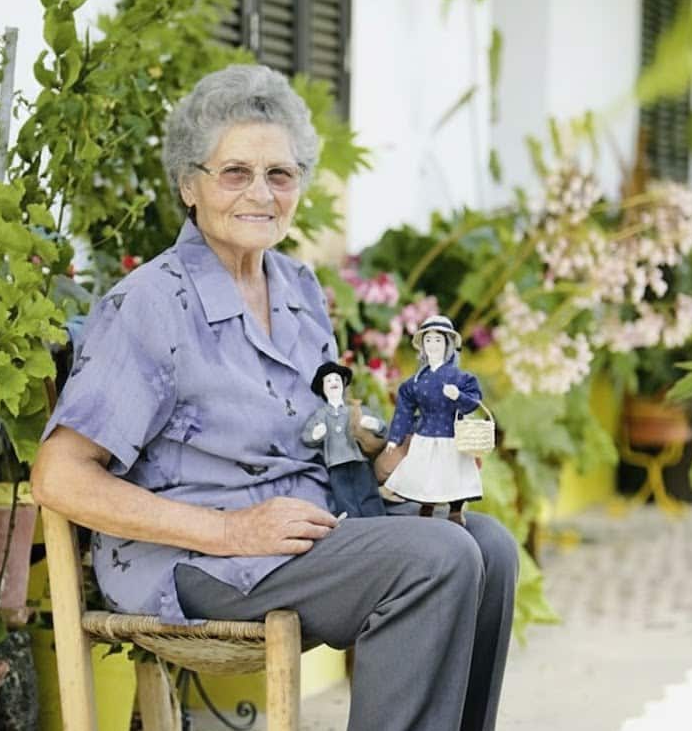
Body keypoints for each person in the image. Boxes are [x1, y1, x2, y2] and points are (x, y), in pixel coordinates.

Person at [32, 64, 518, 731]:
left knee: (487, 544)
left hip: (304, 533)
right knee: (436, 558)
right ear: (189, 185)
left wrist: (392, 459)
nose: (260, 193)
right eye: (236, 172)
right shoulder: (151, 304)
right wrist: (231, 531)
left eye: (280, 175)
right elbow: (58, 476)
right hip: (196, 557)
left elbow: (321, 429)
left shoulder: (297, 288)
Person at [384, 315, 484, 525]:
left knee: (454, 472)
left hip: (452, 434)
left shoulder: (460, 378)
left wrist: (458, 396)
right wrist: (395, 438)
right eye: (428, 340)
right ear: (422, 346)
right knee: (424, 472)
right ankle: (426, 506)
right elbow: (404, 409)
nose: (433, 345)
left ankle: (455, 510)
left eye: (438, 340)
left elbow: (474, 402)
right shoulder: (416, 381)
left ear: (447, 344)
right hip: (425, 433)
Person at [302, 361, 387, 518]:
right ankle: (352, 523)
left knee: (367, 490)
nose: (333, 383)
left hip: (357, 458)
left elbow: (382, 428)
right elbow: (306, 437)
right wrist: (316, 434)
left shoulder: (355, 410)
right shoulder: (321, 415)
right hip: (336, 463)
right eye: (328, 381)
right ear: (323, 387)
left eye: (337, 379)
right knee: (344, 495)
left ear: (343, 383)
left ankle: (377, 518)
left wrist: (373, 424)